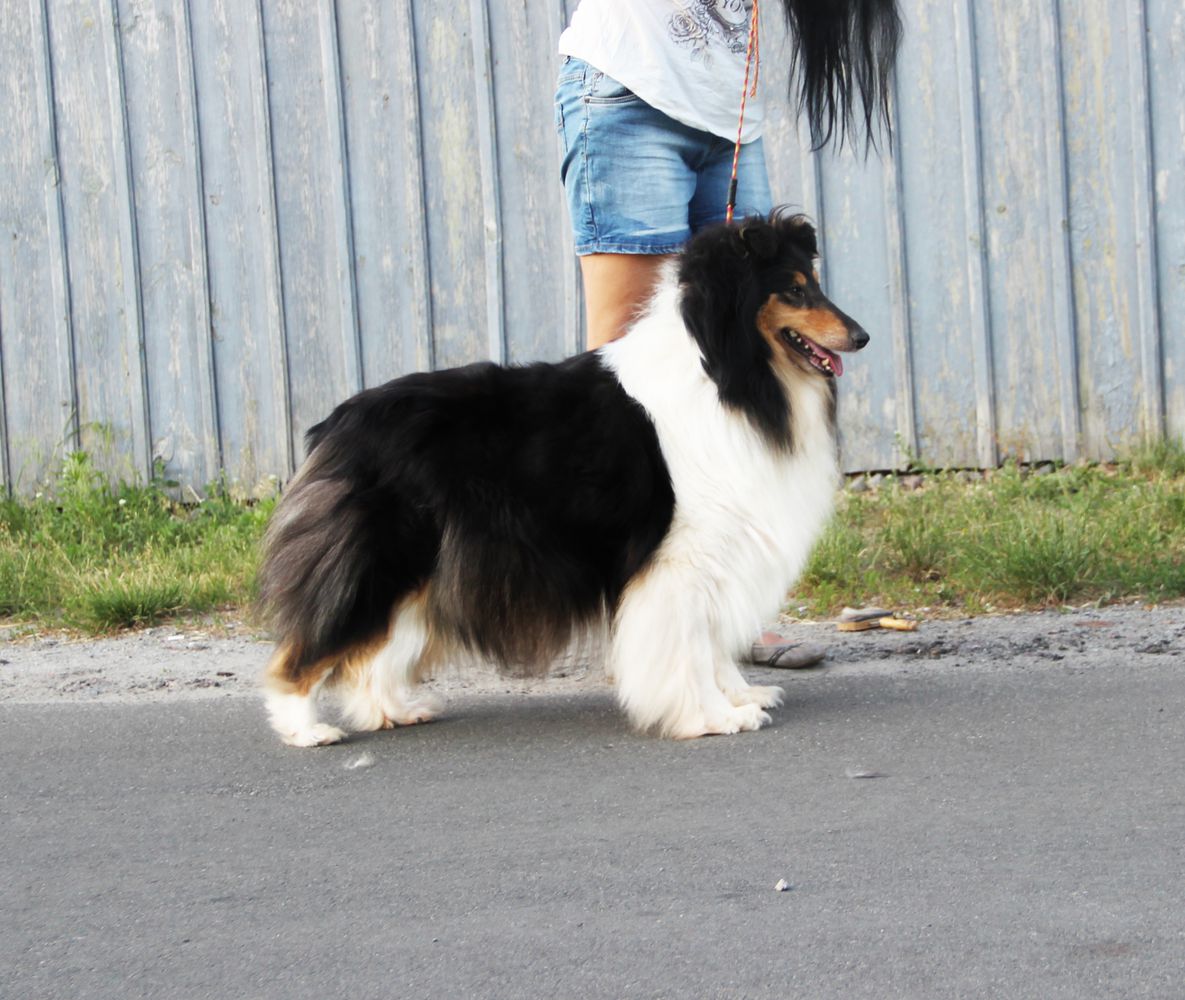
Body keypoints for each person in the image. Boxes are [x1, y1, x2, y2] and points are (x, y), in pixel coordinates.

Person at [554, 0, 901, 665]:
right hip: (629, 92)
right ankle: (625, 603)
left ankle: (729, 610)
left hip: (728, 117)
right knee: (622, 369)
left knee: (750, 375)